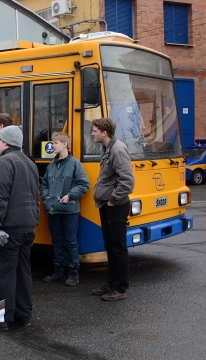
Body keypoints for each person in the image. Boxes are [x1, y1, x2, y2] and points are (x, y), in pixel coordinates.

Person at [0, 125, 39, 331]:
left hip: (7, 228)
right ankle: (23, 314)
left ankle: (0, 317)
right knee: (23, 273)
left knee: (4, 274)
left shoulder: (4, 163)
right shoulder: (28, 163)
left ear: (5, 142)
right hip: (27, 226)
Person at [91, 118, 135, 301]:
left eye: (94, 130)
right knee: (110, 246)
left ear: (104, 132)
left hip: (115, 206)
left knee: (118, 248)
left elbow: (128, 182)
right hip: (106, 205)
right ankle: (112, 283)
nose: (92, 133)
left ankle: (120, 287)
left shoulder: (118, 150)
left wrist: (112, 200)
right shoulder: (107, 148)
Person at [40, 132, 90, 286]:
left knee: (71, 242)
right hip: (54, 210)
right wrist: (47, 200)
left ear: (64, 144)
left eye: (55, 142)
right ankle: (58, 271)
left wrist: (69, 196)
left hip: (69, 211)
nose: (52, 145)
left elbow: (84, 185)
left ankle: (73, 273)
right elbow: (44, 184)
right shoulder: (52, 165)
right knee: (57, 242)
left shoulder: (75, 164)